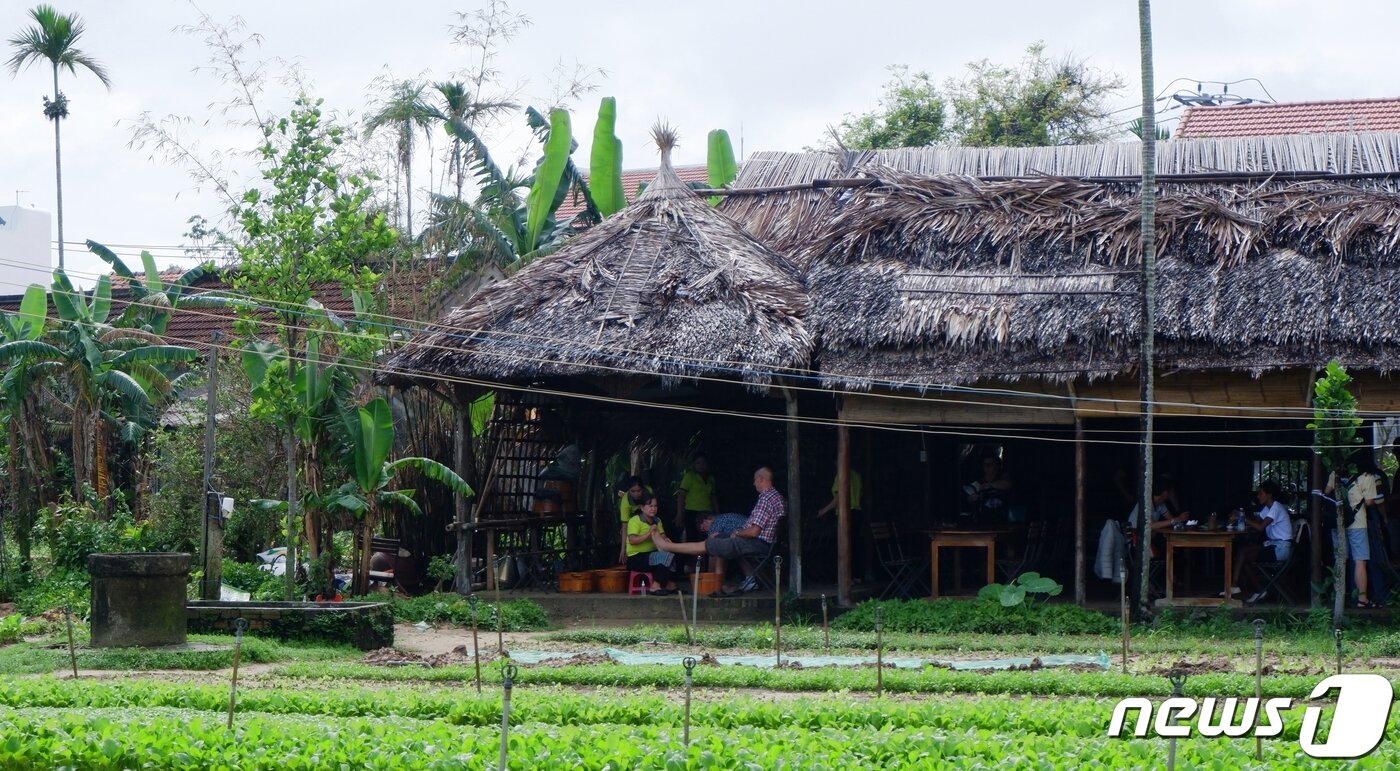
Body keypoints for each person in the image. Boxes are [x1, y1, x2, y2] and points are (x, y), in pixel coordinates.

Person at [651, 467, 786, 595]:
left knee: (710, 543)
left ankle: (668, 546)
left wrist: (737, 533)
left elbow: (754, 532)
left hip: (757, 543)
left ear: (761, 479)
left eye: (755, 480)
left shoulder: (765, 499)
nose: (754, 483)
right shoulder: (777, 497)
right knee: (719, 537)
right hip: (766, 544)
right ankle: (726, 584)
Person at [1327, 458, 1383, 608]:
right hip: (1357, 523)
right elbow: (1370, 502)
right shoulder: (1366, 477)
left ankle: (1338, 597)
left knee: (1339, 560)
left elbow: (1326, 493)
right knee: (1360, 561)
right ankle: (1362, 599)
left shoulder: (1335, 473)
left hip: (1336, 522)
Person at [1233, 480, 1293, 603]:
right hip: (1273, 546)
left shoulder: (1276, 507)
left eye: (1261, 493)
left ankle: (1254, 589)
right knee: (1242, 551)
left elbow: (1260, 527)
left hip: (1280, 549)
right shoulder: (1267, 508)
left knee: (1245, 559)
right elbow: (1256, 522)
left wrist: (1243, 518)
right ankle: (1235, 586)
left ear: (1269, 495)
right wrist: (1241, 517)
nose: (1258, 496)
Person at [816, 468, 870, 582]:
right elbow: (861, 494)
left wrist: (824, 510)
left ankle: (847, 577)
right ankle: (857, 576)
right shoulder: (857, 475)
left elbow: (839, 497)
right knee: (855, 544)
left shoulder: (841, 475)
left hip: (846, 513)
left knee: (844, 545)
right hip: (857, 512)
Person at [624, 494, 677, 595]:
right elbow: (632, 541)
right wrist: (649, 533)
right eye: (650, 506)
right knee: (663, 557)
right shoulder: (635, 520)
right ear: (642, 508)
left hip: (651, 555)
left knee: (672, 555)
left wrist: (666, 540)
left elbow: (663, 536)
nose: (653, 509)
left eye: (655, 506)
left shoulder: (657, 520)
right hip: (635, 557)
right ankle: (655, 586)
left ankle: (671, 585)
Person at [675, 454, 719, 543]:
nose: (701, 465)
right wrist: (679, 513)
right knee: (692, 537)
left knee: (708, 537)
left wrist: (717, 513)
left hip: (707, 512)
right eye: (698, 463)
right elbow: (681, 495)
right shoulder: (689, 476)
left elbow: (713, 497)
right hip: (692, 512)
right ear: (694, 464)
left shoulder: (711, 478)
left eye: (703, 462)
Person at [616, 475, 653, 564]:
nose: (636, 494)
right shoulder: (625, 502)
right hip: (634, 522)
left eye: (639, 490)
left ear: (643, 489)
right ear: (628, 490)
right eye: (633, 491)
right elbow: (625, 526)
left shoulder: (649, 492)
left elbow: (653, 510)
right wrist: (623, 549)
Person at [965, 455, 1014, 522]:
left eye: (990, 464)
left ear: (996, 465)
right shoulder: (979, 480)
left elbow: (1008, 484)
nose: (987, 466)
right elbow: (969, 498)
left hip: (1002, 516)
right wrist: (971, 498)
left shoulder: (1002, 476)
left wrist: (991, 485)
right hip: (983, 517)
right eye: (985, 464)